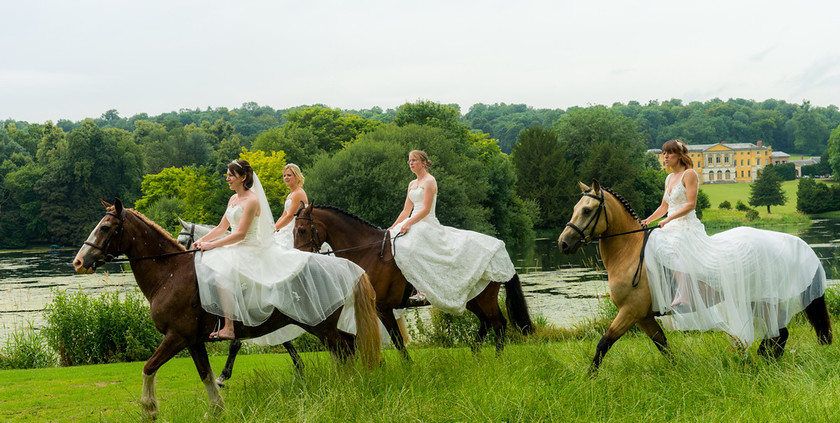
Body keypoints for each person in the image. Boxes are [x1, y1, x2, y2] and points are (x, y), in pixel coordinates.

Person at [641, 139, 826, 347]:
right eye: (664, 153)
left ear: (680, 155)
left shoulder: (689, 174)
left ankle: (684, 290)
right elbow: (664, 205)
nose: (665, 156)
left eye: (670, 153)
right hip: (672, 223)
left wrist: (668, 220)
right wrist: (650, 219)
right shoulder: (669, 178)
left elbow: (691, 204)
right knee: (653, 239)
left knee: (670, 245)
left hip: (685, 225)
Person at [193, 159, 364, 341]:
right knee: (206, 266)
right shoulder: (233, 199)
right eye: (227, 175)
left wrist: (212, 245)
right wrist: (201, 240)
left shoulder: (252, 200)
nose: (227, 178)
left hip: (248, 247)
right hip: (234, 245)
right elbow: (221, 227)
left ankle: (228, 327)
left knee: (222, 274)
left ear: (243, 177)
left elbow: (241, 234)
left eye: (230, 175)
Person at [387, 150, 515, 314]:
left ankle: (423, 290)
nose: (411, 163)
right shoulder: (412, 184)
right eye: (409, 161)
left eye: (414, 160)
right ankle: (403, 289)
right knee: (393, 244)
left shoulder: (430, 181)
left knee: (411, 247)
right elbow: (406, 211)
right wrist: (393, 226)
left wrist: (410, 223)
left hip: (426, 222)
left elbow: (425, 209)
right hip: (411, 221)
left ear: (424, 163)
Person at [274, 163, 308, 249]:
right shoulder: (290, 195)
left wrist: (274, 229)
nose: (286, 177)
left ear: (297, 177)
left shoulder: (298, 193)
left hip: (295, 229)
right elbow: (284, 215)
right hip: (287, 227)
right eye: (284, 175)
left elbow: (290, 216)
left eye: (289, 175)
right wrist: (274, 228)